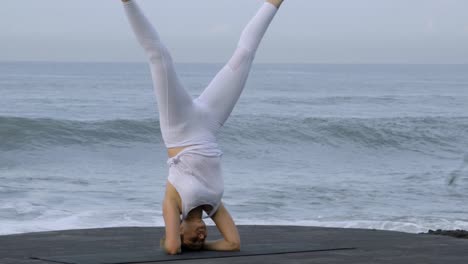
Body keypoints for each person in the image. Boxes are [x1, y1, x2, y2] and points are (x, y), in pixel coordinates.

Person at [121, 0, 284, 254]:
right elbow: (233, 243)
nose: (200, 237)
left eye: (192, 240)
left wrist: (178, 245)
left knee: (158, 56)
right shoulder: (213, 204)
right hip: (209, 126)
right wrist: (205, 247)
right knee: (244, 55)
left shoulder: (173, 202)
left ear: (178, 229)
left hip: (179, 129)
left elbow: (173, 248)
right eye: (201, 240)